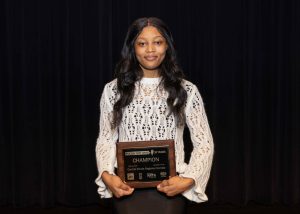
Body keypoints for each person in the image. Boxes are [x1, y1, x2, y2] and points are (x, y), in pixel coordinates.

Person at [95, 17, 214, 214]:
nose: (150, 50)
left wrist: (188, 180)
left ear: (167, 46)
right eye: (142, 44)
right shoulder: (113, 90)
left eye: (157, 42)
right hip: (127, 186)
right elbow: (106, 139)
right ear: (133, 48)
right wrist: (107, 175)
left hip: (171, 185)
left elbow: (204, 143)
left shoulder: (187, 90)